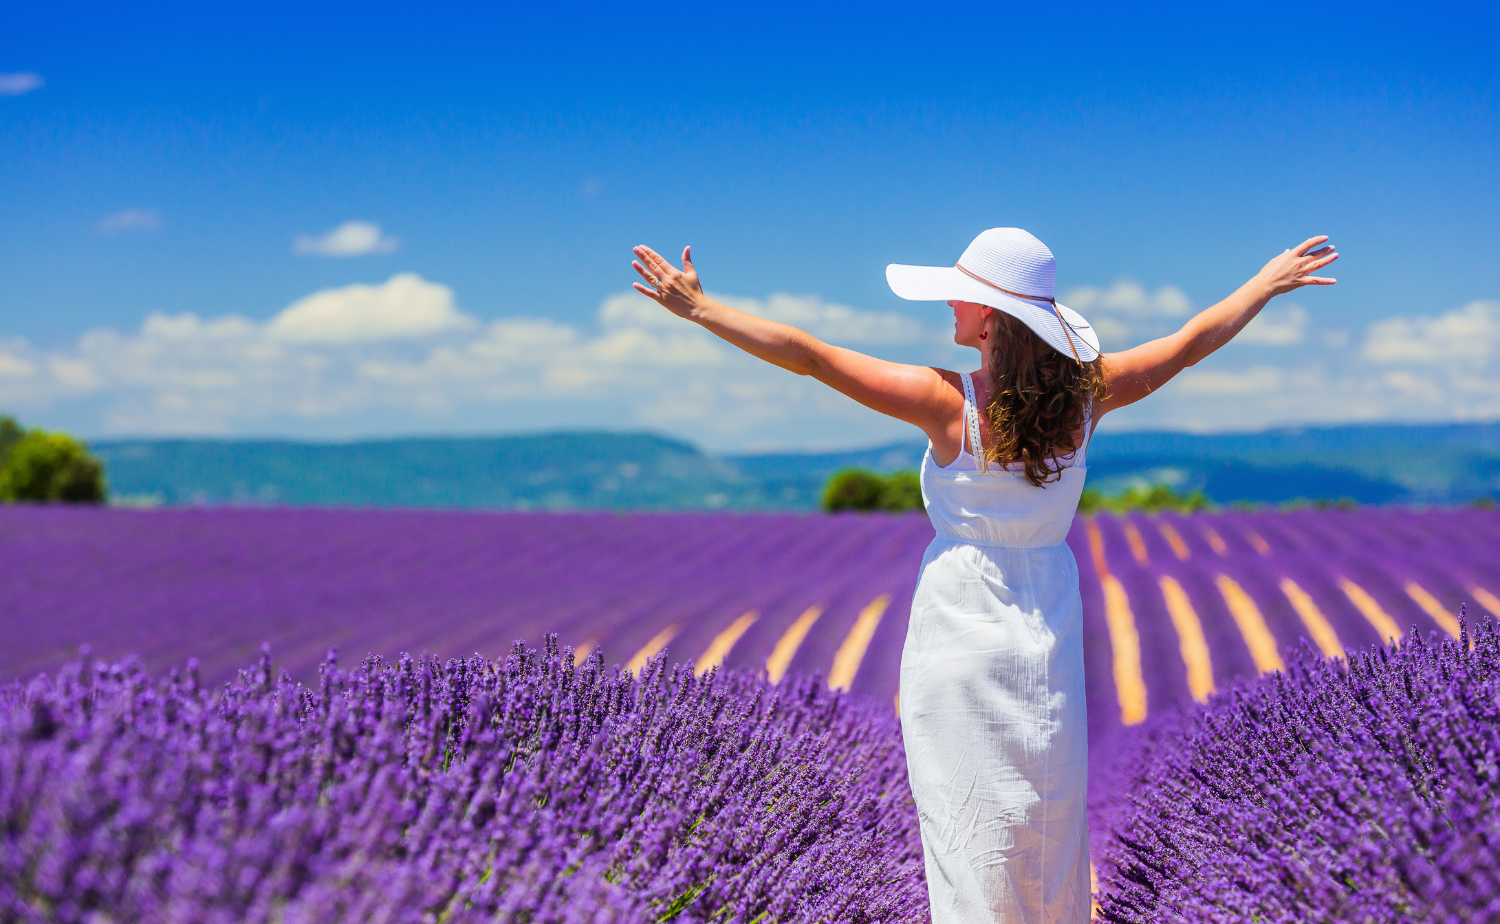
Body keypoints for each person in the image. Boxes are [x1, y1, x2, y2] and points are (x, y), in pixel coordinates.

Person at [630, 228, 1337, 923]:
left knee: (965, 821)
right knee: (1045, 812)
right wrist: (1264, 285)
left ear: (992, 318)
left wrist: (702, 310)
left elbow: (813, 357)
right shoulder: (1089, 395)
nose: (949, 307)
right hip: (1047, 623)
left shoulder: (945, 401)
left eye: (960, 296)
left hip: (959, 623)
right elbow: (1189, 345)